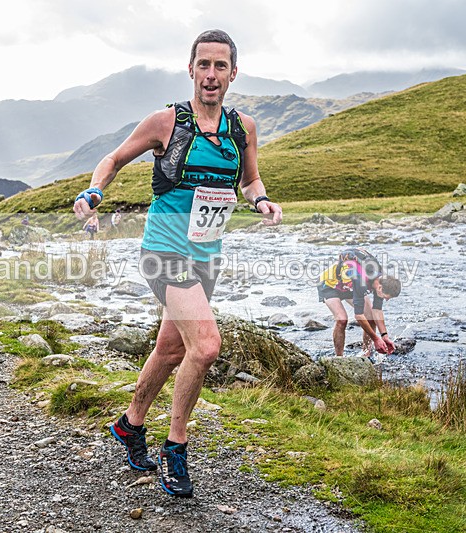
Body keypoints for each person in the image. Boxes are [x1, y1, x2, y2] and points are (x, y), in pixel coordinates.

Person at [74, 29, 282, 498]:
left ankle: (130, 424)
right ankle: (176, 446)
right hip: (164, 253)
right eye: (203, 65)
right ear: (190, 69)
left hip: (206, 256)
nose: (211, 75)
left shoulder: (241, 128)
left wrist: (262, 201)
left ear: (233, 73)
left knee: (171, 349)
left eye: (220, 66)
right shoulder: (166, 122)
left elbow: (250, 181)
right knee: (206, 346)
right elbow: (113, 158)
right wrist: (94, 190)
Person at [317, 248, 402, 360]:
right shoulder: (360, 280)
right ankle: (339, 359)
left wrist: (384, 336)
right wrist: (376, 339)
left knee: (371, 318)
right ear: (380, 288)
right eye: (387, 297)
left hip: (349, 286)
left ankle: (366, 355)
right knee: (342, 319)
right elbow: (358, 316)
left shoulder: (381, 279)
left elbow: (377, 311)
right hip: (329, 284)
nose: (386, 300)